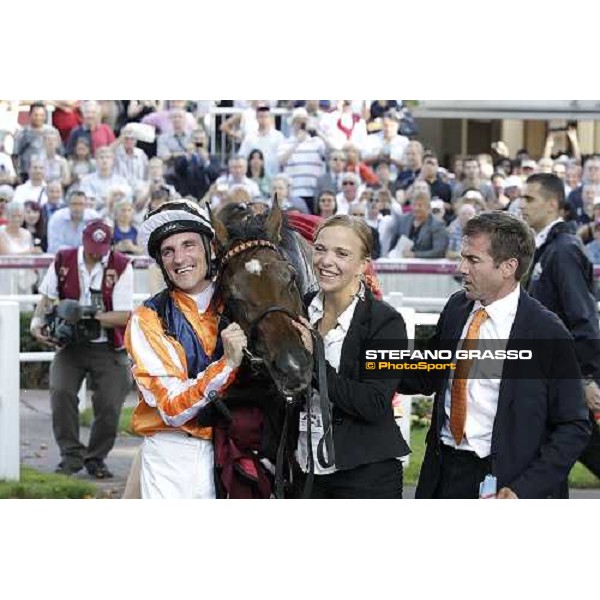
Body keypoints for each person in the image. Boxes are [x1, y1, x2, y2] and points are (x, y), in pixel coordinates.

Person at [399, 211, 590, 498]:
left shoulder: (547, 332)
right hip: (442, 473)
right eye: (463, 257)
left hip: (506, 482)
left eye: (473, 260)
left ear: (508, 267)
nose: (462, 268)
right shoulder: (456, 308)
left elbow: (573, 425)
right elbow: (428, 373)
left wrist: (523, 489)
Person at [125, 199, 248, 498]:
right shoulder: (148, 318)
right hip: (175, 455)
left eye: (188, 245)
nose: (179, 258)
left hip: (241, 448)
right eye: (168, 251)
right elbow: (171, 407)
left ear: (209, 248)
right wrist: (228, 365)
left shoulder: (242, 305)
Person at [293, 215, 409, 498]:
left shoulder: (385, 321)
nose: (326, 261)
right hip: (301, 470)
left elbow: (374, 402)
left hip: (366, 474)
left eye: (341, 253)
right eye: (320, 249)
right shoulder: (296, 308)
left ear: (363, 265)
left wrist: (315, 360)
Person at [29, 219, 134, 477]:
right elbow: (47, 298)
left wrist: (86, 315)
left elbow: (124, 316)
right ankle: (71, 456)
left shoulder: (121, 265)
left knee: (110, 404)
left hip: (109, 346)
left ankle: (96, 458)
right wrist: (37, 323)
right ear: (82, 239)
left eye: (100, 249)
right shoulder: (63, 259)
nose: (94, 254)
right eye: (90, 247)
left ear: (108, 245)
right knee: (61, 392)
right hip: (70, 345)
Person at [521, 173, 600, 480]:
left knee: (565, 447)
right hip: (547, 373)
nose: (522, 205)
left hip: (563, 375)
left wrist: (587, 377)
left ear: (553, 204)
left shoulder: (563, 250)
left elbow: (582, 316)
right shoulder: (546, 249)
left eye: (530, 199)